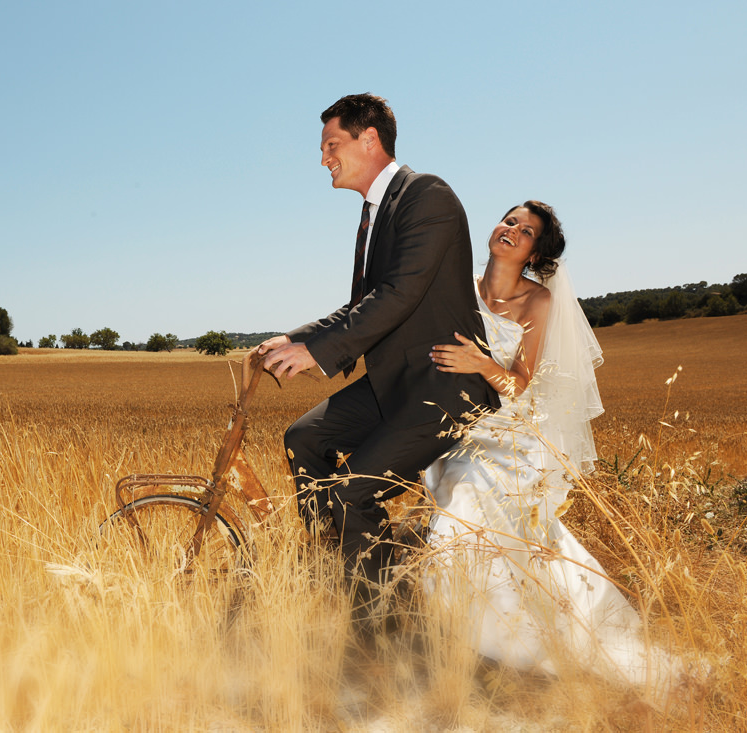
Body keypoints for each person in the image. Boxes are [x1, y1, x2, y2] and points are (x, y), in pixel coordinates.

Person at [423, 201, 690, 700]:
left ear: (533, 252)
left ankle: (508, 651)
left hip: (509, 437)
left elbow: (521, 384)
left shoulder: (537, 302)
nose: (512, 231)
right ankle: (482, 645)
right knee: (505, 543)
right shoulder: (458, 283)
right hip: (456, 427)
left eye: (525, 232)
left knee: (461, 515)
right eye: (509, 221)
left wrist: (481, 363)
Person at [258, 94, 499, 588]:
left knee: (350, 494)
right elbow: (362, 303)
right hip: (393, 382)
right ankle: (338, 565)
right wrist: (294, 336)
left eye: (331, 144)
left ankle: (376, 616)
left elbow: (398, 294)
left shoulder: (426, 195)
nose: (323, 158)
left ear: (368, 139)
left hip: (441, 386)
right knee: (304, 437)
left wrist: (314, 353)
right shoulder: (374, 213)